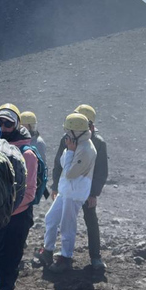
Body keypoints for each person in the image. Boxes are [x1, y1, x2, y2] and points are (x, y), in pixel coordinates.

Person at [0, 103, 38, 290]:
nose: (3, 127)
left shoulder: (27, 155)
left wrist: (8, 209)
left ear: (16, 125)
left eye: (8, 123)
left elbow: (30, 192)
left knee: (9, 258)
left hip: (16, 217)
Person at [48, 104, 108, 269]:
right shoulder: (68, 139)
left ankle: (95, 257)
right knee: (62, 220)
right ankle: (58, 254)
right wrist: (55, 186)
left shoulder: (97, 143)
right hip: (68, 189)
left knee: (90, 221)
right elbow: (58, 163)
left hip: (84, 190)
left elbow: (101, 171)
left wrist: (94, 193)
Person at [38, 114, 97, 272]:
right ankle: (48, 251)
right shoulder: (77, 143)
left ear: (77, 131)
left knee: (67, 226)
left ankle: (65, 258)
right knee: (51, 218)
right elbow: (64, 164)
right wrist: (70, 151)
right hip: (67, 191)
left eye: (69, 131)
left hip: (74, 193)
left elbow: (70, 172)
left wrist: (70, 151)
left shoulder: (85, 148)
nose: (67, 135)